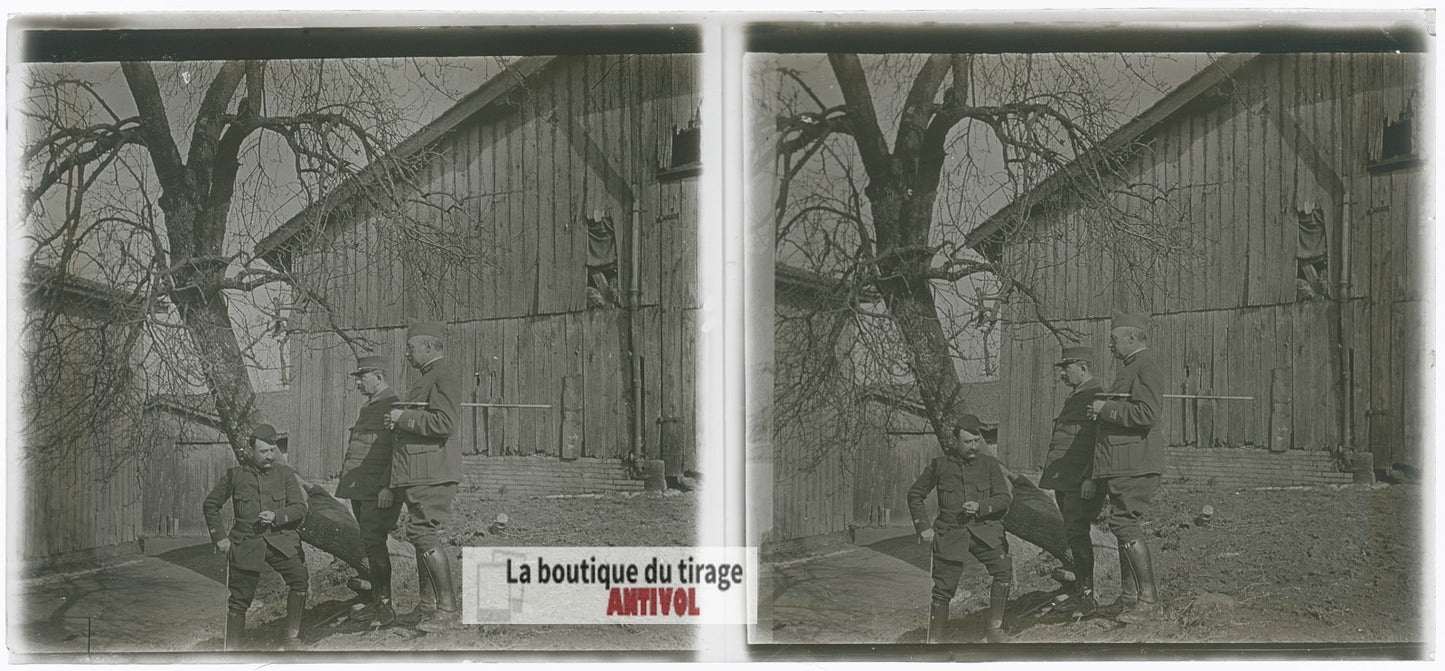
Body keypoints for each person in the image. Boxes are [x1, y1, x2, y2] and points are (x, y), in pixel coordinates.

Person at [1086, 313, 1166, 623]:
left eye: (1114, 338)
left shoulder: (1145, 367)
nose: (1110, 344)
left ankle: (1149, 601)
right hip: (1123, 464)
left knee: (1124, 524)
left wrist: (1105, 408)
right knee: (1122, 527)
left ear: (1131, 338)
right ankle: (1129, 598)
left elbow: (1147, 413)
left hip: (1136, 464)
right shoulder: (1131, 368)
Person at [385, 322, 463, 632]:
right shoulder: (428, 377)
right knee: (420, 536)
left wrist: (403, 417)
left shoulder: (442, 376)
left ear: (429, 347)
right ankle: (428, 608)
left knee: (422, 534)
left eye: (410, 348)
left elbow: (444, 422)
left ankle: (447, 610)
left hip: (433, 473)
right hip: (420, 473)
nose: (406, 354)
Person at [908, 414, 1013, 644]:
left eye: (976, 441)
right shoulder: (940, 465)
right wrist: (923, 527)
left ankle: (994, 629)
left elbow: (1004, 498)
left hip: (983, 531)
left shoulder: (989, 464)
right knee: (943, 589)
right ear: (956, 440)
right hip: (951, 532)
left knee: (1003, 569)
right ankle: (935, 642)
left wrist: (981, 506)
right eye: (968, 442)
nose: (974, 446)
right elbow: (915, 494)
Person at [203, 423, 310, 650]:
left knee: (300, 579)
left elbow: (300, 508)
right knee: (239, 600)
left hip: (279, 540)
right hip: (247, 542)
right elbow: (210, 505)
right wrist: (220, 538)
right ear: (251, 450)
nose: (269, 456)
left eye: (272, 450)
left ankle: (292, 638)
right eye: (263, 451)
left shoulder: (285, 474)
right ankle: (233, 652)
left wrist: (277, 516)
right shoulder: (235, 476)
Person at [1037, 344, 1104, 619]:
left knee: (1078, 534)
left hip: (1080, 481)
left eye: (1066, 368)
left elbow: (1100, 442)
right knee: (1073, 535)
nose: (1062, 374)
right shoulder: (1076, 396)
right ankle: (1080, 592)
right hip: (1065, 481)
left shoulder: (1096, 396)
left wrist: (1091, 477)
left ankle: (1087, 598)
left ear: (1083, 368)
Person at [337, 355, 402, 627]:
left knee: (375, 543)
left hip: (377, 489)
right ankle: (376, 601)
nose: (358, 383)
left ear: (378, 376)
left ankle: (385, 607)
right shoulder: (370, 406)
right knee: (369, 543)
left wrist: (388, 485)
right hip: (361, 488)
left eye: (362, 378)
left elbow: (397, 450)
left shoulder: (392, 405)